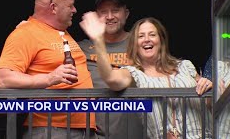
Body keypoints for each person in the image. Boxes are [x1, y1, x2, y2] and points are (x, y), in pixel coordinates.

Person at [79, 16, 213, 138]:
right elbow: (111, 78)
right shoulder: (134, 74)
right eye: (141, 36)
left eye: (152, 34)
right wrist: (98, 40)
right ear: (134, 44)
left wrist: (210, 86)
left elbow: (209, 101)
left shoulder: (185, 66)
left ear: (161, 40)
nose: (147, 39)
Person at [0, 0, 96, 139]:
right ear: (53, 8)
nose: (75, 10)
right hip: (50, 129)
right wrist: (50, 78)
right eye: (70, 6)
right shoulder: (25, 33)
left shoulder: (61, 32)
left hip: (82, 129)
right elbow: (3, 79)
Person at [78, 0, 143, 139]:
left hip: (135, 130)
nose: (109, 17)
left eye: (115, 11)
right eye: (103, 12)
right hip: (95, 133)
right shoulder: (81, 48)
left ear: (126, 13)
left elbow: (166, 67)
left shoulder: (141, 43)